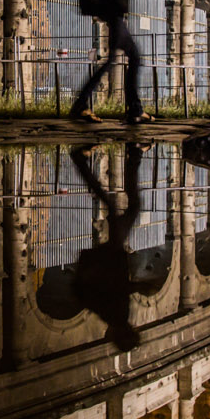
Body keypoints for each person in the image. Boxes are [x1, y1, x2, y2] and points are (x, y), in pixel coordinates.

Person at [69, 142, 149, 350]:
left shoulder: (117, 316)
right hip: (109, 255)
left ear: (127, 333)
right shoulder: (113, 318)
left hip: (111, 254)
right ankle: (132, 155)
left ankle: (133, 154)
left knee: (127, 207)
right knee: (123, 208)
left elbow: (116, 290)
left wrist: (138, 287)